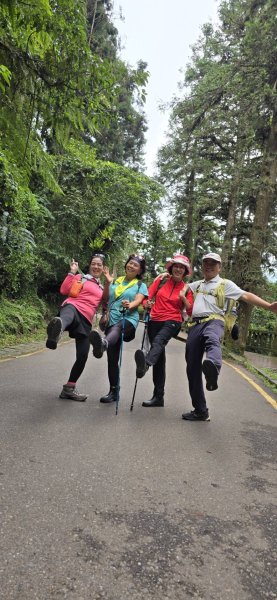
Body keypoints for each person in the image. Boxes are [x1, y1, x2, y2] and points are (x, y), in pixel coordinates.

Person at [182, 252, 277, 422]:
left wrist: (269, 306)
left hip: (214, 321)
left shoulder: (225, 284)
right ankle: (200, 411)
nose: (209, 266)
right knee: (192, 367)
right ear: (202, 266)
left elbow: (246, 296)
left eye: (213, 263)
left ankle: (213, 369)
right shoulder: (197, 285)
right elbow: (181, 285)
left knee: (212, 340)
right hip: (195, 325)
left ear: (219, 267)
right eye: (206, 263)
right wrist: (165, 278)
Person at [46, 254, 109, 401]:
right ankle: (56, 333)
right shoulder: (80, 277)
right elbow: (64, 290)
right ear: (89, 265)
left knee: (83, 355)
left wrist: (106, 314)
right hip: (73, 307)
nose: (96, 266)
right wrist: (72, 272)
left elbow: (106, 305)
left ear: (103, 268)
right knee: (67, 317)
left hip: (86, 319)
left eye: (99, 264)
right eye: (94, 263)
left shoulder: (102, 287)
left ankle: (69, 389)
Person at [134, 254, 194, 407]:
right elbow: (147, 296)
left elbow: (191, 309)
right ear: (171, 268)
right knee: (159, 357)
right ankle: (158, 397)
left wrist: (183, 297)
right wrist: (147, 304)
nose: (178, 269)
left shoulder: (188, 289)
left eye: (182, 267)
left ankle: (146, 364)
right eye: (176, 266)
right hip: (155, 320)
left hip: (173, 321)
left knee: (159, 342)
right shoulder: (161, 281)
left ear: (185, 271)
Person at [89, 254, 148, 403]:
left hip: (128, 320)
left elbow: (139, 300)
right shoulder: (117, 280)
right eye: (130, 263)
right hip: (111, 319)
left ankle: (103, 344)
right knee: (112, 359)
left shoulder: (140, 285)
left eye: (136, 265)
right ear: (126, 265)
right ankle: (114, 391)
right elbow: (105, 298)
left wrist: (131, 305)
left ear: (140, 270)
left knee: (118, 328)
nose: (132, 266)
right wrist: (108, 282)